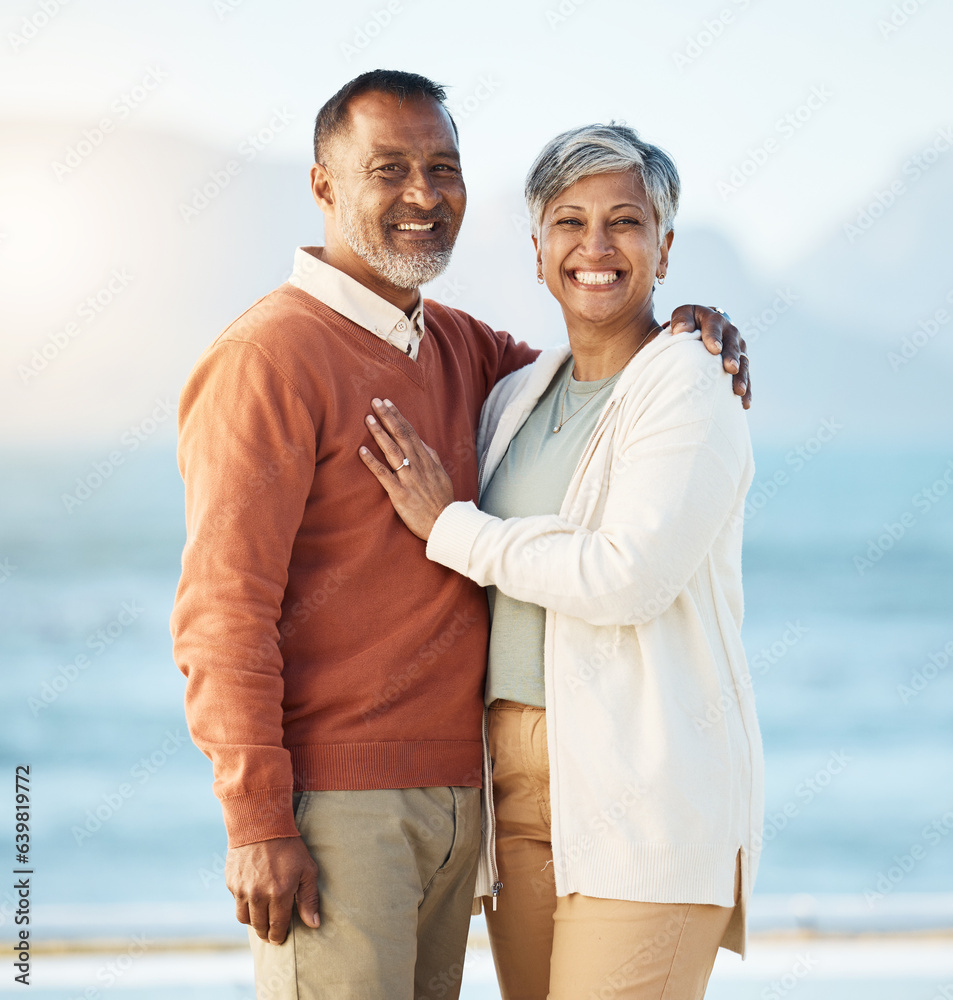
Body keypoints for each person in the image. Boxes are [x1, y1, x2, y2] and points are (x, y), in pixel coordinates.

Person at [171, 69, 750, 1000]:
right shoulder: (264, 358)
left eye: (443, 168)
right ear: (323, 184)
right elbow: (221, 609)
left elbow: (599, 378)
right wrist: (255, 821)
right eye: (388, 168)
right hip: (339, 806)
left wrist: (691, 328)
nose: (422, 195)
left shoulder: (466, 351)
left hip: (467, 806)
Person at [360, 122, 762, 1000]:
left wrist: (452, 527)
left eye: (625, 222)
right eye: (569, 222)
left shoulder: (688, 382)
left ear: (663, 245)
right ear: (537, 247)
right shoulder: (514, 395)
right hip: (516, 797)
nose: (596, 247)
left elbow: (627, 576)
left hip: (639, 788)